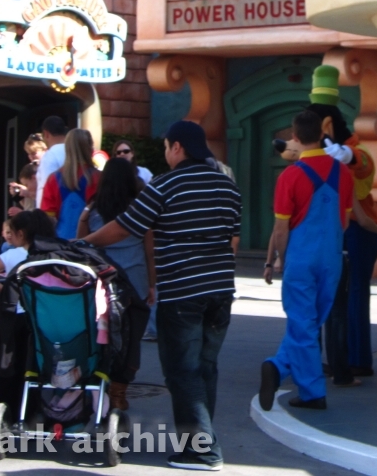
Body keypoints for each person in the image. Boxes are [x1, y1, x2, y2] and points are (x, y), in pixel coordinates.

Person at [83, 120, 241, 471]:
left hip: (183, 292)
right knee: (205, 369)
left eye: (168, 146)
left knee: (183, 372)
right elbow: (233, 237)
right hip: (220, 291)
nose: (167, 153)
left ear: (177, 147)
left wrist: (84, 242)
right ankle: (200, 441)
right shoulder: (227, 186)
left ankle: (201, 451)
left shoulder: (165, 184)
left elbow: (126, 226)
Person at [260, 109, 353, 413]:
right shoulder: (344, 174)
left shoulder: (290, 175)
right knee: (311, 324)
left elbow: (281, 228)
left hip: (301, 257)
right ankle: (280, 369)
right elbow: (346, 221)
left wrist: (279, 260)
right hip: (331, 257)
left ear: (295, 138)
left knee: (302, 324)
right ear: (323, 136)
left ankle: (308, 388)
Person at [307, 65, 377, 378]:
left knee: (353, 293)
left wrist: (347, 156)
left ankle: (357, 360)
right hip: (337, 232)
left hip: (359, 230)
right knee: (335, 296)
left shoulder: (353, 150)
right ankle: (341, 358)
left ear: (326, 125)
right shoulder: (317, 155)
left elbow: (364, 165)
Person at [76, 157, 154, 411]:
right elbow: (149, 249)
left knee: (100, 336)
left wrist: (86, 212)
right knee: (131, 340)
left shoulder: (95, 209)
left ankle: (98, 383)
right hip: (135, 282)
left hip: (102, 284)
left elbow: (82, 243)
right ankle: (120, 392)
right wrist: (153, 284)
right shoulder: (139, 208)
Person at [0, 210, 55, 420]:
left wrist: (6, 290)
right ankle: (30, 409)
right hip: (39, 317)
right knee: (31, 365)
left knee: (9, 364)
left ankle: (6, 411)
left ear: (20, 234)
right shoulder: (48, 254)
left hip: (14, 316)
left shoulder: (14, 255)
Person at [40, 129, 100, 240]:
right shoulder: (99, 178)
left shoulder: (52, 179)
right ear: (90, 148)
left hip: (62, 245)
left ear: (67, 148)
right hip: (93, 243)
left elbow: (47, 221)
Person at [35, 117, 68, 208]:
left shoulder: (50, 156)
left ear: (46, 134)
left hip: (52, 213)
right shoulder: (74, 151)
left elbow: (48, 187)